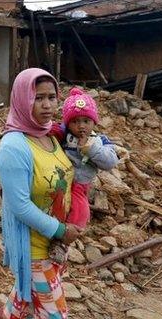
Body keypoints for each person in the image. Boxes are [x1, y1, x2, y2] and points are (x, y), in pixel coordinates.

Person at [0, 68, 82, 319]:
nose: (46, 105)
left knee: (27, 295)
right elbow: (19, 205)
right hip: (34, 249)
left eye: (51, 97)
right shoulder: (13, 147)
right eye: (38, 98)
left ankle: (9, 313)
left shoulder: (51, 135)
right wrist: (62, 231)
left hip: (54, 243)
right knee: (56, 314)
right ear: (23, 99)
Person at [48, 87, 119, 264]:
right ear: (68, 123)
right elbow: (50, 131)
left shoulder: (100, 141)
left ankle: (63, 242)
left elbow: (110, 162)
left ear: (94, 122)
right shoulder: (65, 134)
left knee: (80, 212)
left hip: (80, 185)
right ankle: (50, 232)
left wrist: (93, 149)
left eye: (86, 121)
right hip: (61, 181)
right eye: (75, 121)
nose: (81, 126)